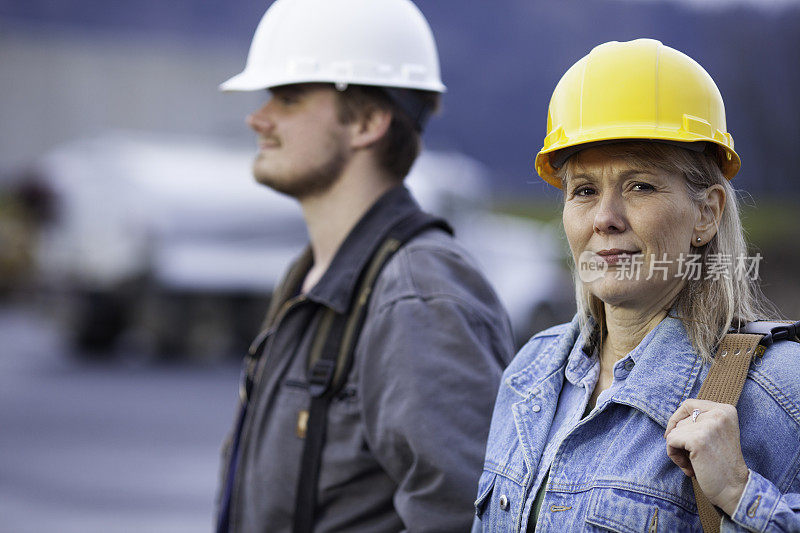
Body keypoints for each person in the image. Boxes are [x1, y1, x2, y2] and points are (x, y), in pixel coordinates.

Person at [472, 39, 800, 532]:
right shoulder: (530, 373)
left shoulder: (777, 390)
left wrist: (738, 493)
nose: (605, 218)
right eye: (584, 190)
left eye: (640, 186)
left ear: (706, 214)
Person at [215, 1, 515, 532]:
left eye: (288, 98)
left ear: (370, 122)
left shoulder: (419, 292)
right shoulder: (312, 278)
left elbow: (462, 516)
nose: (258, 118)